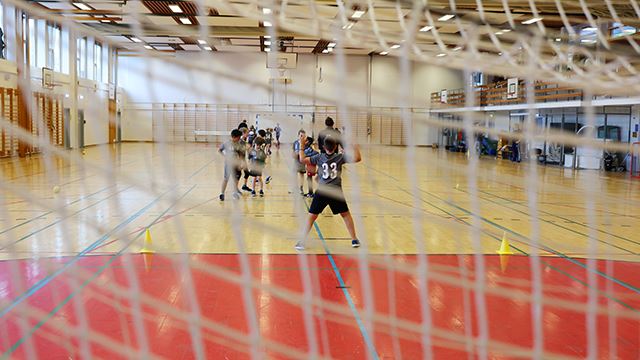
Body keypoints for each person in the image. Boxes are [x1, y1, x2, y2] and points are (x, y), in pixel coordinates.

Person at [295, 134, 362, 250]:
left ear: (323, 146)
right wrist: (355, 145)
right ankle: (354, 239)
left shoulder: (319, 157)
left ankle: (302, 241)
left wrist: (301, 145)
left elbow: (302, 159)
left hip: (322, 191)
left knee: (311, 217)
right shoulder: (340, 157)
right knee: (346, 215)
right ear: (335, 146)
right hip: (336, 191)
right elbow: (357, 158)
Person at [219, 129, 245, 201]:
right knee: (226, 178)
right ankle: (222, 193)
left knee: (235, 179)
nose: (239, 139)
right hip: (228, 164)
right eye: (238, 137)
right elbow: (220, 150)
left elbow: (241, 155)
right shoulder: (226, 143)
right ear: (233, 137)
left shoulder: (239, 144)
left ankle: (234, 193)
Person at [292, 130, 317, 197]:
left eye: (304, 136)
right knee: (294, 174)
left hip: (302, 161)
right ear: (298, 135)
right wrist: (294, 155)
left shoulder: (306, 144)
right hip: (296, 161)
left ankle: (301, 188)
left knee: (301, 175)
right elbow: (293, 151)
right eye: (301, 136)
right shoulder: (295, 143)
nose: (302, 137)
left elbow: (308, 152)